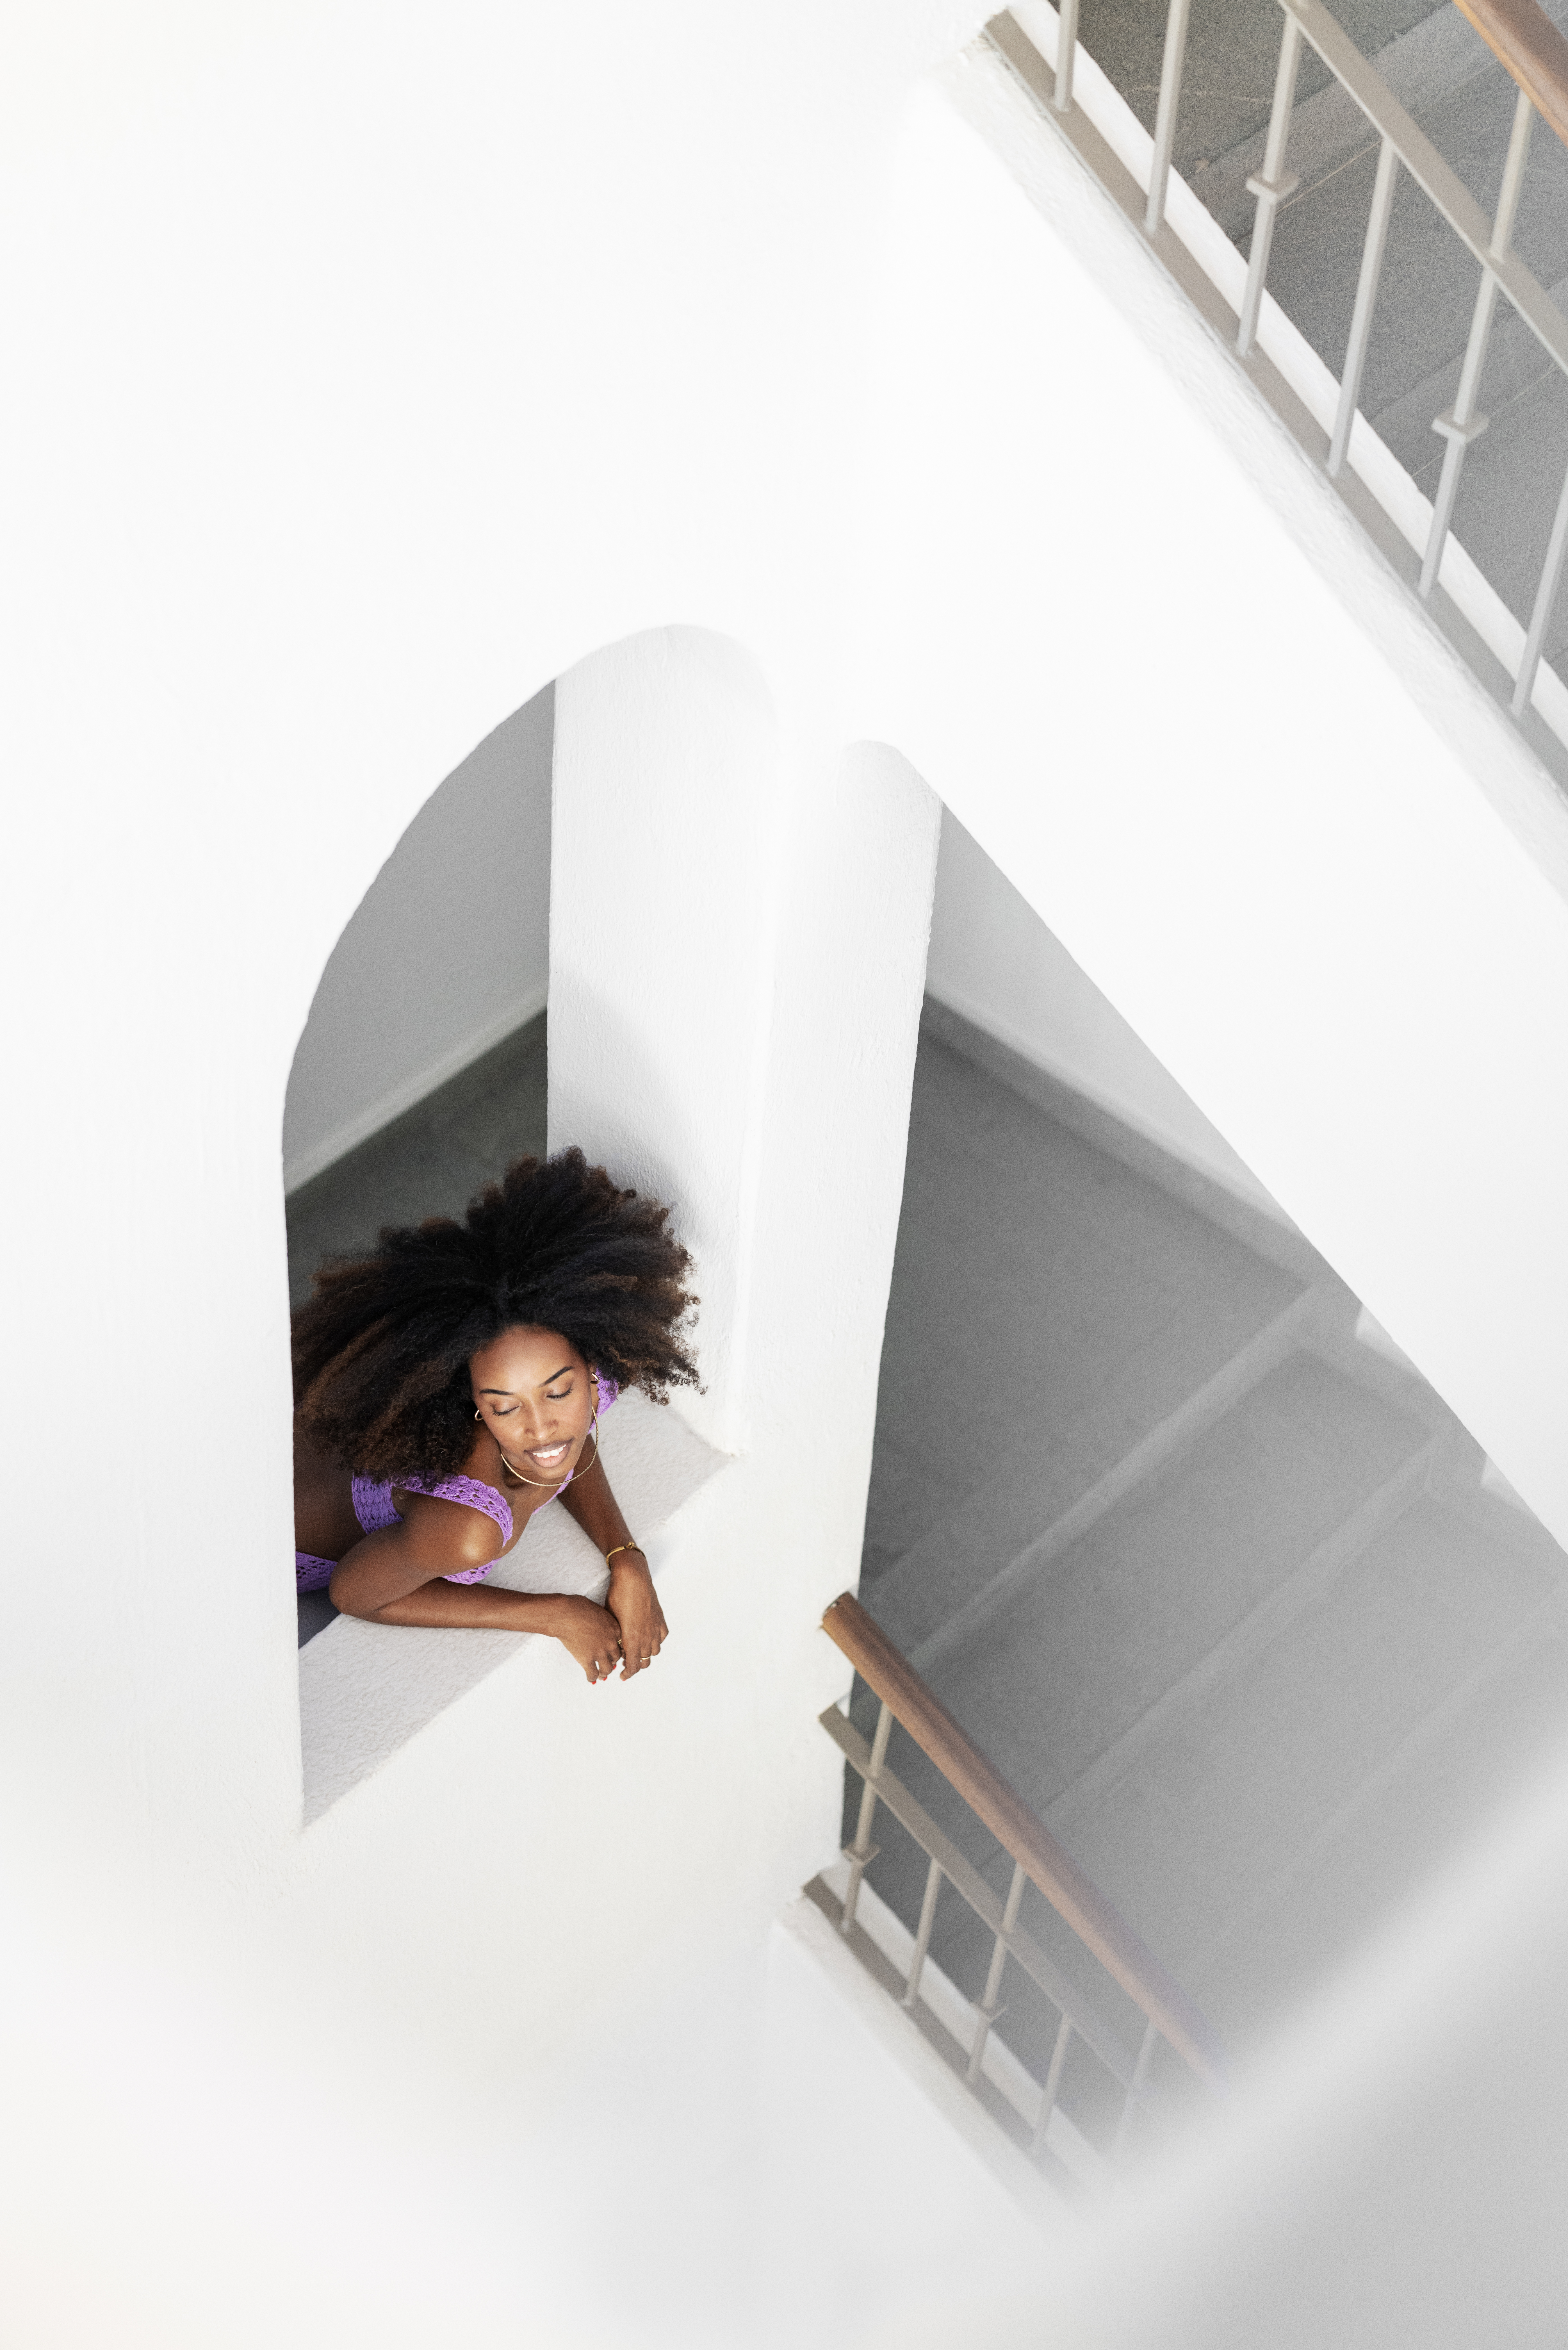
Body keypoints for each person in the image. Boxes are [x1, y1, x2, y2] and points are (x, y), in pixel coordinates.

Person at [291, 1148, 698, 1684]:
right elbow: (354, 1594)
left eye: (559, 1393)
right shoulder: (469, 1527)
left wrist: (627, 1558)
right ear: (476, 1407)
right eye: (505, 1406)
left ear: (592, 1371)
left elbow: (569, 1451)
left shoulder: (588, 1394)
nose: (540, 1427)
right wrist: (553, 1613)